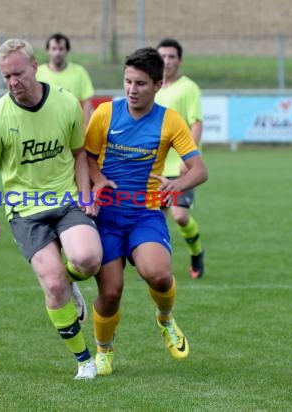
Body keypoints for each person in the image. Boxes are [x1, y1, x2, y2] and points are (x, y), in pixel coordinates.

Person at [0, 38, 103, 379]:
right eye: (6, 77)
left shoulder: (65, 105)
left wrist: (86, 196)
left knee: (89, 260)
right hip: (25, 211)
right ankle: (84, 362)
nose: (13, 82)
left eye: (18, 73)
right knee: (54, 285)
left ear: (35, 67)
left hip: (65, 200)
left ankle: (70, 280)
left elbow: (79, 154)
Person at [84, 47, 208, 376]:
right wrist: (98, 180)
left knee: (158, 274)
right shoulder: (105, 113)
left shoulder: (170, 120)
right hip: (107, 215)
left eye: (140, 83)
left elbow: (199, 169)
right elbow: (86, 158)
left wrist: (175, 185)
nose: (131, 90)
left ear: (158, 84)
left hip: (145, 212)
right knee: (111, 292)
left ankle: (165, 320)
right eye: (127, 82)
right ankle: (103, 350)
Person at [155, 38, 205, 279]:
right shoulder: (151, 88)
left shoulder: (188, 88)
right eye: (162, 56)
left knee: (180, 215)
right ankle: (158, 265)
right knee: (156, 218)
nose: (166, 61)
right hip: (155, 166)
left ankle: (197, 252)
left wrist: (189, 158)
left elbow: (196, 122)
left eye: (171, 56)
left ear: (180, 60)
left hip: (179, 165)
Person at [36, 33, 95, 126]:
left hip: (72, 127)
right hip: (45, 127)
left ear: (67, 50)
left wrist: (85, 127)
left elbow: (87, 102)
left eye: (61, 49)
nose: (57, 53)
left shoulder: (79, 72)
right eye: (54, 49)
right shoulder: (38, 73)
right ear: (48, 50)